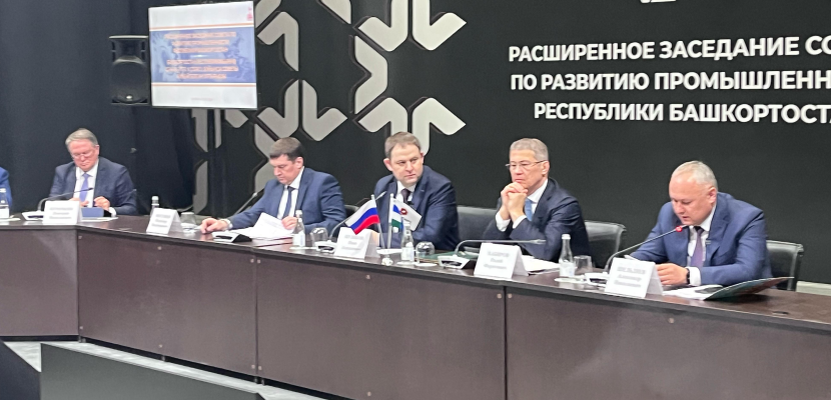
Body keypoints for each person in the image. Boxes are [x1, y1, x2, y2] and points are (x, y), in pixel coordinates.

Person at [631, 161, 772, 286]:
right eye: (674, 200)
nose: (678, 209)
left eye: (686, 202)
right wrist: (628, 266)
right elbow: (647, 253)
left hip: (742, 302)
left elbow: (747, 271)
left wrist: (688, 275)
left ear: (711, 195)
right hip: (685, 301)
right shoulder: (668, 213)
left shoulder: (746, 218)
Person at [201, 137, 346, 233]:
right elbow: (253, 214)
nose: (276, 173)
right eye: (274, 167)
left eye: (282, 167)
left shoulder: (322, 183)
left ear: (298, 162)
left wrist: (302, 228)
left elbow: (337, 223)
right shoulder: (273, 186)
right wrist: (224, 223)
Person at [482, 138, 590, 260]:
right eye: (513, 165)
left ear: (544, 167)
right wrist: (504, 213)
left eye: (524, 164)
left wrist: (517, 213)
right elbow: (487, 251)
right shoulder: (510, 197)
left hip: (563, 270)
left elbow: (545, 253)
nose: (517, 171)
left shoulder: (565, 204)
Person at [373, 132, 459, 250]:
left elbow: (430, 236)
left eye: (414, 160)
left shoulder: (440, 187)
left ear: (422, 157)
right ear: (389, 164)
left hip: (433, 257)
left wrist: (379, 239)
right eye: (402, 163)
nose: (409, 168)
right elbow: (377, 226)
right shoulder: (383, 186)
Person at [50, 128, 137, 215]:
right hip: (70, 222)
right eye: (76, 155)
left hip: (101, 222)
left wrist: (108, 210)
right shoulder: (63, 172)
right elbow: (51, 204)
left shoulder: (116, 172)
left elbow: (131, 208)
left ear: (97, 149)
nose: (82, 158)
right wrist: (68, 206)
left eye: (86, 153)